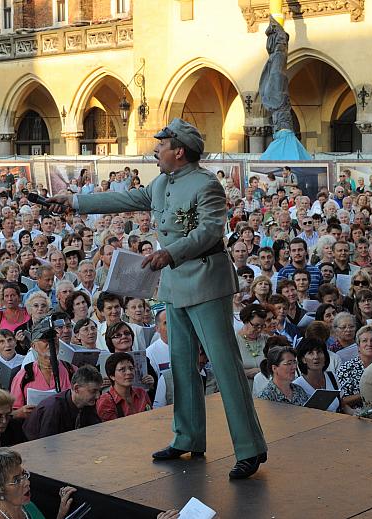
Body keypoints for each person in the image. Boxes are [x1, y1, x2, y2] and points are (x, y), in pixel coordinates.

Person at [48, 118, 267, 479]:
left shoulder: (206, 184)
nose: (155, 150)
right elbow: (123, 198)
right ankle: (187, 437)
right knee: (181, 365)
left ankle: (249, 447)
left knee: (226, 368)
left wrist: (171, 252)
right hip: (175, 284)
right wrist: (73, 200)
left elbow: (210, 230)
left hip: (206, 282)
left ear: (179, 151)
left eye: (161, 144)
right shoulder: (163, 182)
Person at [0, 448, 77, 519]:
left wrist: (61, 514)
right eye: (17, 480)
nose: (27, 482)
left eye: (24, 475)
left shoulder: (28, 507)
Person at [22, 365, 103, 440]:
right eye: (93, 391)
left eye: (99, 391)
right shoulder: (54, 409)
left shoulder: (88, 403)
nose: (98, 396)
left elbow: (96, 431)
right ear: (76, 388)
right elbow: (48, 444)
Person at [293, 338, 351, 413]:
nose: (316, 357)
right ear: (303, 359)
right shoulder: (296, 385)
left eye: (319, 352)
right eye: (311, 353)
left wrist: (356, 414)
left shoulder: (332, 377)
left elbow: (342, 405)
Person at [95, 352, 152, 421]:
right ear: (112, 376)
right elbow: (113, 426)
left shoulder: (141, 393)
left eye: (131, 368)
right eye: (122, 369)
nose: (129, 372)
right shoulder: (106, 401)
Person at [335, 325, 372, 409]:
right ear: (358, 346)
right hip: (356, 414)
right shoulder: (346, 369)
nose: (369, 344)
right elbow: (340, 400)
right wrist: (365, 394)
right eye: (364, 341)